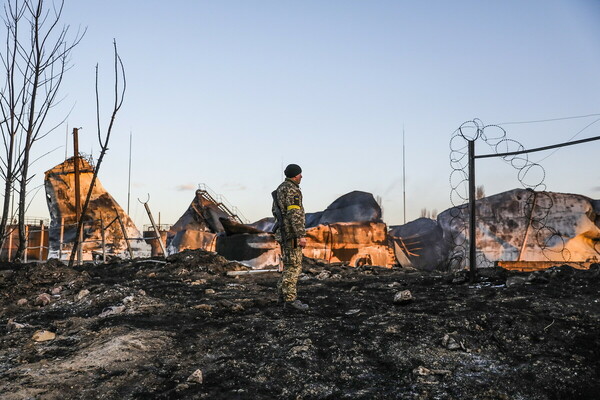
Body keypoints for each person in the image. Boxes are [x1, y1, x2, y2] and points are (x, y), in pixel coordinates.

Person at [272, 163, 308, 311]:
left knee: (288, 265)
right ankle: (290, 300)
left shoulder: (280, 189)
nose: (301, 177)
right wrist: (300, 235)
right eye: (300, 174)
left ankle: (281, 296)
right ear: (295, 175)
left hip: (284, 233)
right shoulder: (293, 190)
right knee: (294, 267)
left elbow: (275, 211)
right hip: (292, 234)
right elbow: (295, 214)